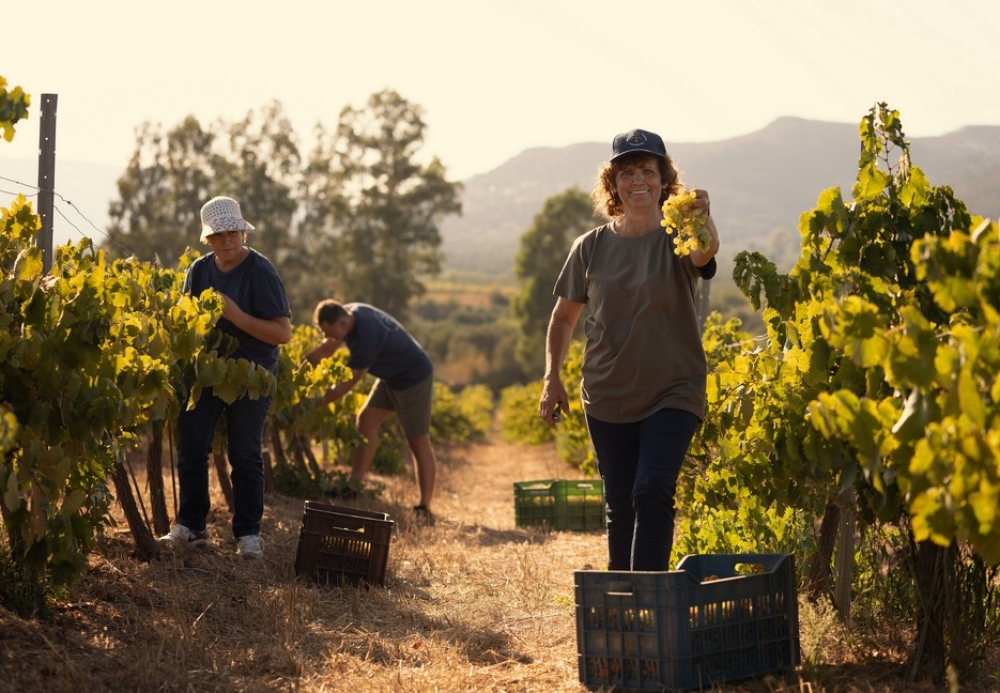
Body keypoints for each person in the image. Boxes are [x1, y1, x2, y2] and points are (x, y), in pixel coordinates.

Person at [537, 128, 720, 571]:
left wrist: (703, 216)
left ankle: (649, 601)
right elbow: (563, 318)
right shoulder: (590, 247)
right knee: (620, 504)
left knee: (652, 490)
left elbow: (705, 255)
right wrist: (552, 378)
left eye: (649, 171)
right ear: (613, 183)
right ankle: (623, 603)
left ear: (664, 180)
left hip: (673, 391)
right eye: (628, 172)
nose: (639, 180)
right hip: (607, 395)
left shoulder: (679, 237)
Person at [159, 196, 292, 558]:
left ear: (243, 233)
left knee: (245, 454)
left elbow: (282, 333)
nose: (227, 240)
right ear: (208, 240)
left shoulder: (261, 271)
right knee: (190, 447)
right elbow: (188, 324)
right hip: (207, 371)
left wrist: (235, 316)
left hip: (251, 373)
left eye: (233, 232)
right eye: (219, 235)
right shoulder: (199, 272)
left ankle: (248, 535)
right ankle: (191, 526)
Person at [305, 300, 438, 517]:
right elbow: (327, 347)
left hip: (414, 376)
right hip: (391, 376)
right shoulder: (349, 314)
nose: (331, 338)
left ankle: (424, 506)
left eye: (331, 333)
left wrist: (316, 403)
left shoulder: (366, 336)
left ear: (341, 323)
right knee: (365, 421)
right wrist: (309, 361)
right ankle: (353, 486)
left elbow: (349, 381)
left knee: (418, 440)